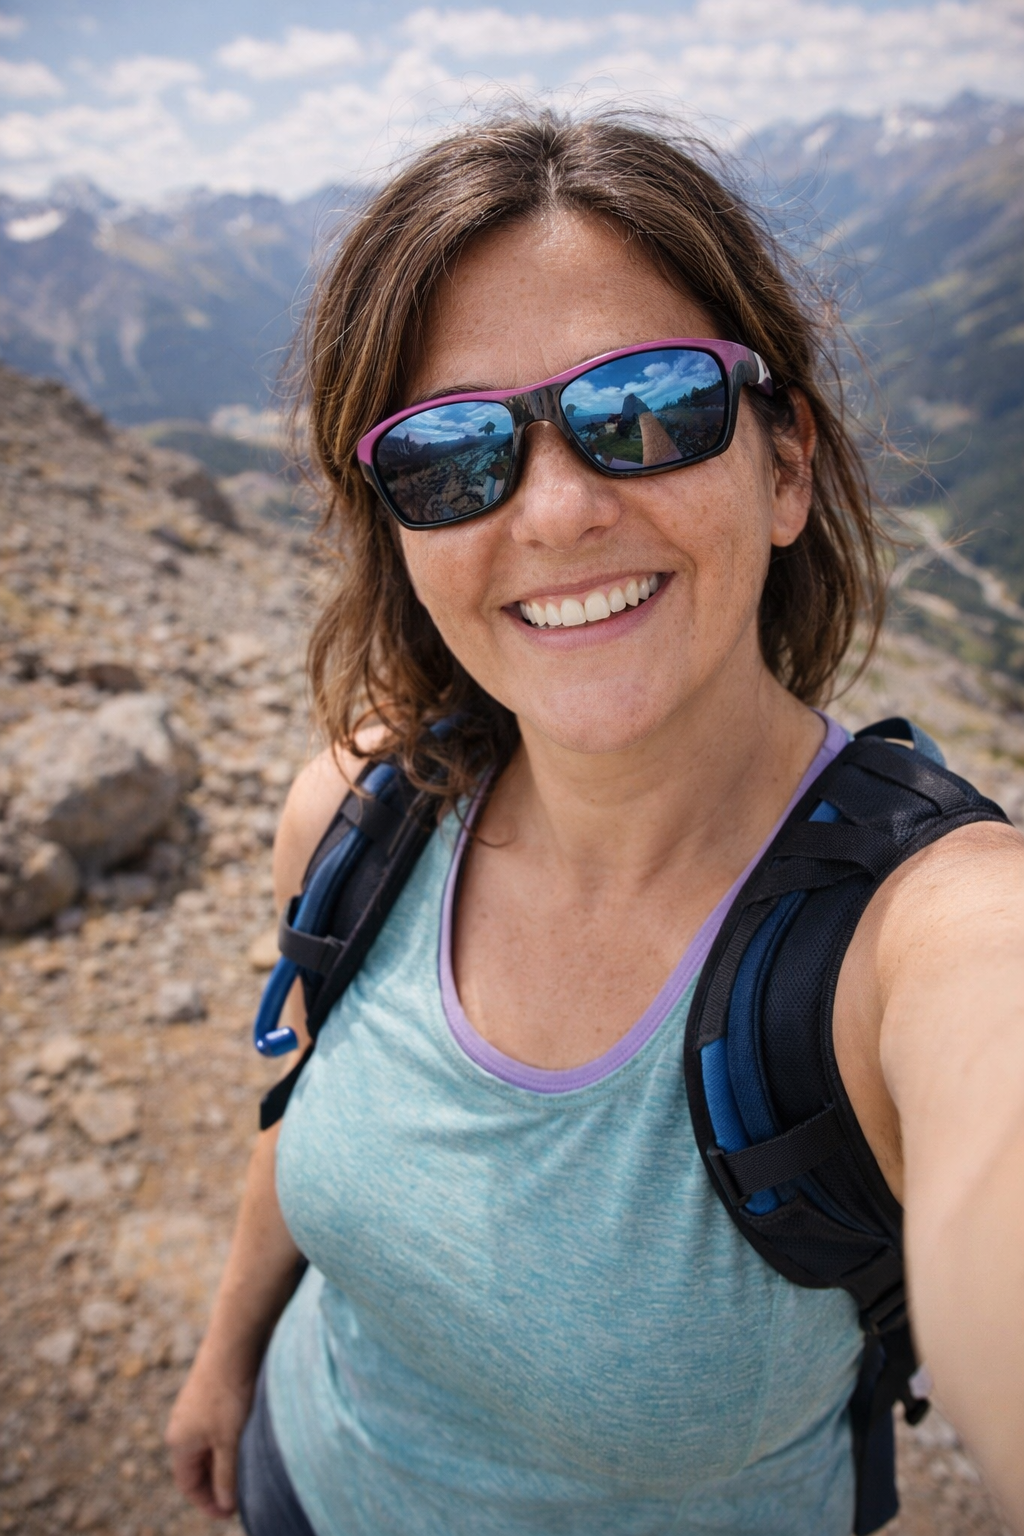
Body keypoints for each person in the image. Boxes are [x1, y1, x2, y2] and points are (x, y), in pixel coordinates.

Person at [166, 110, 1024, 1536]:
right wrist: (225, 1362)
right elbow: (303, 1113)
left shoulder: (923, 940)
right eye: (451, 454)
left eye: (650, 406)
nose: (557, 511)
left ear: (788, 463)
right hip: (300, 1479)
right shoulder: (356, 819)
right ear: (398, 529)